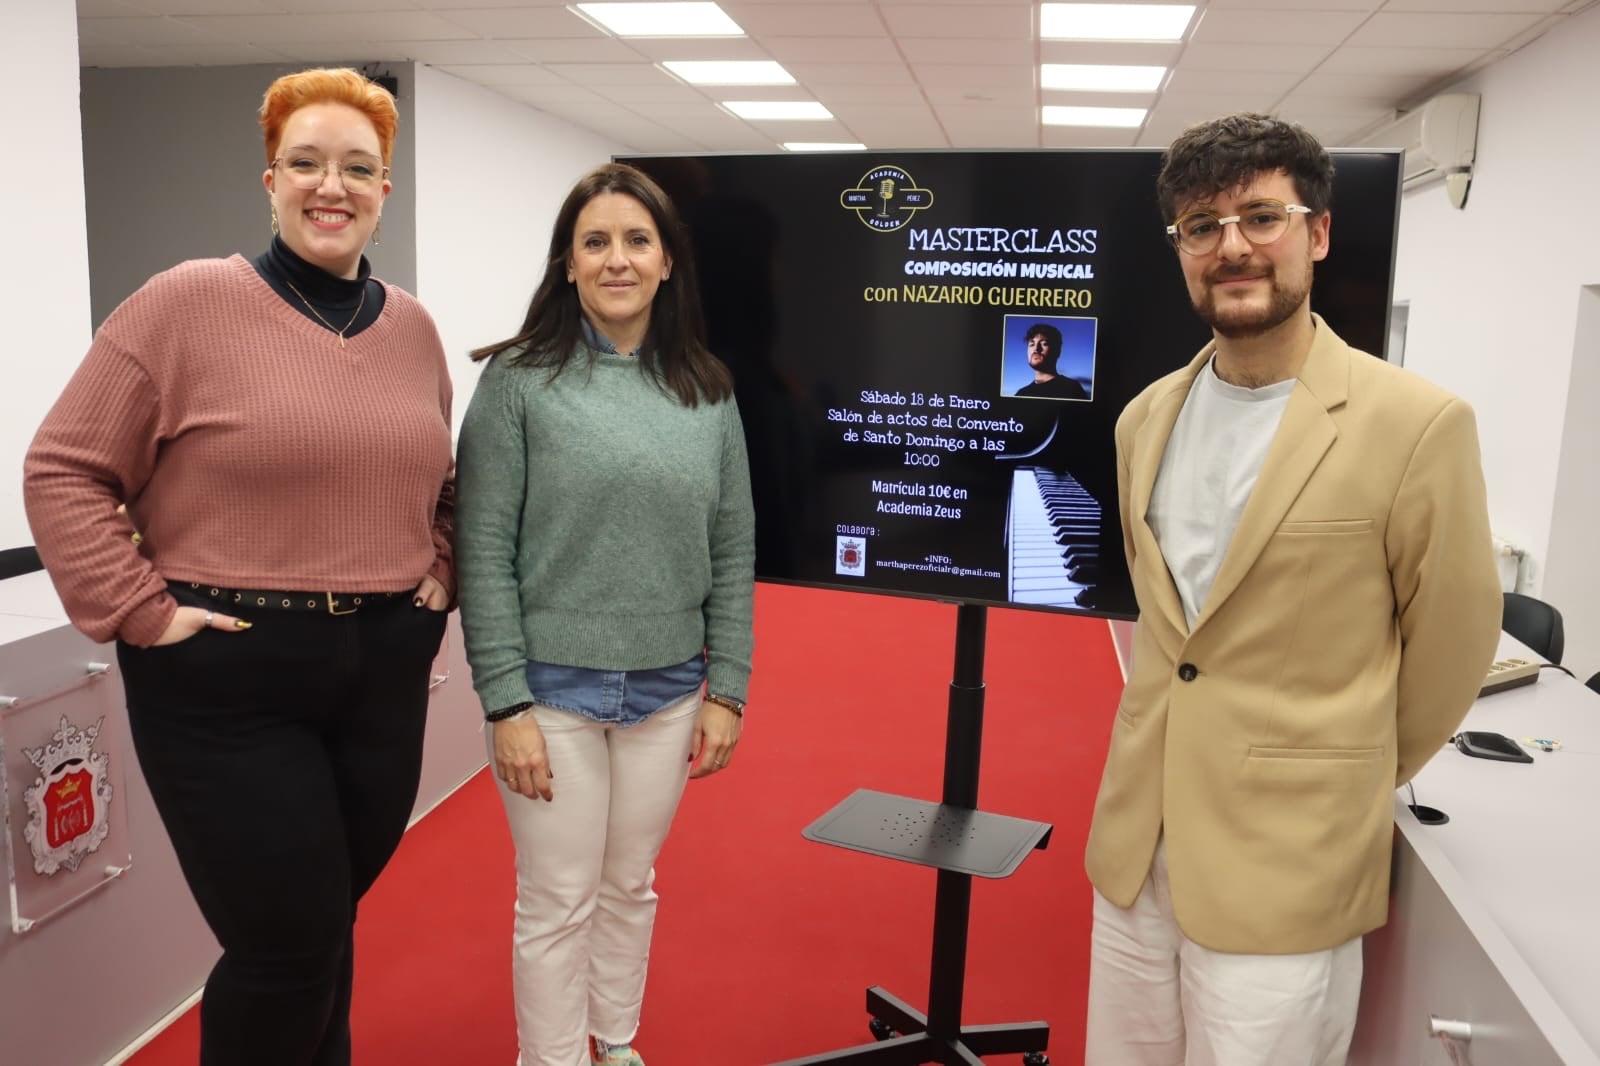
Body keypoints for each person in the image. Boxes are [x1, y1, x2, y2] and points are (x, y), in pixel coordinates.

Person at [23, 68, 454, 1066]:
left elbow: (443, 476)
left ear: (385, 190)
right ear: (270, 180)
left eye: (357, 167)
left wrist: (441, 569)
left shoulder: (414, 329)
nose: (329, 185)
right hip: (226, 672)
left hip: (383, 669)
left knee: (321, 925)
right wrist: (141, 609)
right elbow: (66, 466)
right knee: (285, 943)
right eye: (305, 163)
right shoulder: (186, 304)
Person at [1082, 113, 1502, 1065]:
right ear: (1181, 251)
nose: (1232, 246)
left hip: (1287, 862)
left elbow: (1453, 641)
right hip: (1137, 852)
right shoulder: (1147, 417)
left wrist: (1340, 771)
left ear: (1315, 235)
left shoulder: (1417, 423)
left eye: (1261, 217)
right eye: (1202, 225)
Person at [455, 162, 755, 1066]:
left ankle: (614, 1045)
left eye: (636, 240)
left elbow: (734, 549)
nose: (616, 259)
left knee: (630, 884)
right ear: (568, 263)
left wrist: (728, 687)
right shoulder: (516, 383)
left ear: (668, 263)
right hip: (551, 695)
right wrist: (504, 705)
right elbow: (483, 554)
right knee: (557, 898)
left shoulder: (708, 389)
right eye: (595, 242)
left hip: (668, 691)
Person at [1014, 322, 1088, 399]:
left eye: (1044, 344)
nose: (1036, 349)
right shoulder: (1021, 394)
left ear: (1057, 351)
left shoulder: (1072, 388)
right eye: (1032, 344)